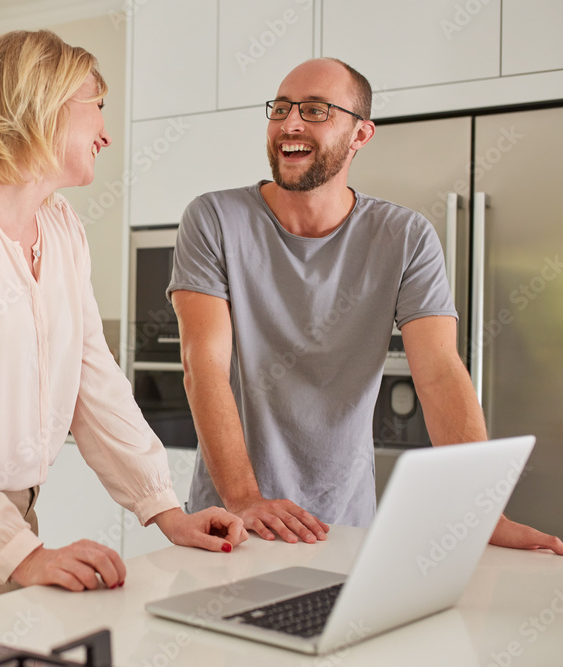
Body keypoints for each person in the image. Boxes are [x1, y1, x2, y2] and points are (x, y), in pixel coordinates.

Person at [0, 30, 247, 628]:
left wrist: (165, 509)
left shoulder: (61, 229)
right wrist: (23, 553)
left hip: (6, 517)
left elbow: (94, 378)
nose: (107, 132)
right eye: (98, 105)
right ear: (45, 102)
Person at [169, 57, 563, 555]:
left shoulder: (405, 237)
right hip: (233, 523)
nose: (290, 123)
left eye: (315, 110)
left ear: (360, 135)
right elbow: (202, 365)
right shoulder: (213, 219)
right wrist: (245, 496)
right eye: (282, 108)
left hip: (346, 528)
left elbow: (439, 371)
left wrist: (478, 509)